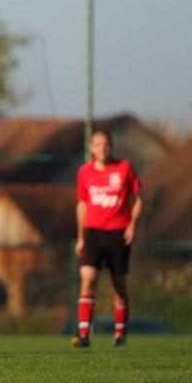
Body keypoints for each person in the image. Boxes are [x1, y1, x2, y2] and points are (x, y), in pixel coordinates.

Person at [72, 128, 143, 348]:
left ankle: (120, 333)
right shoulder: (84, 172)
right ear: (91, 148)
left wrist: (132, 225)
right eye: (97, 145)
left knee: (118, 286)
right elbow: (82, 204)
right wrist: (80, 237)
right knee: (88, 278)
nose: (102, 149)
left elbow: (139, 199)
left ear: (111, 146)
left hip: (118, 233)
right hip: (93, 232)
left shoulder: (124, 168)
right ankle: (84, 334)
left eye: (106, 144)